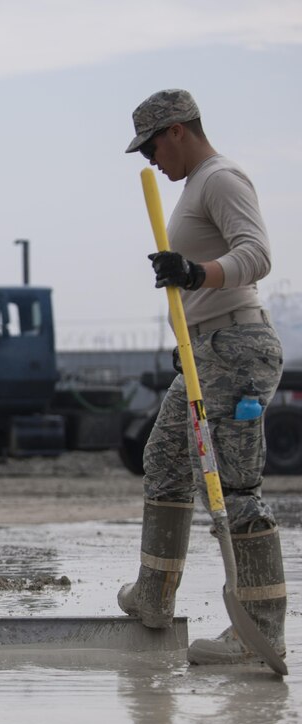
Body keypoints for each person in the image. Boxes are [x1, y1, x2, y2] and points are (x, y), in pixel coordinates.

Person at [119, 89, 287, 665]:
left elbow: (257, 254)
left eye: (151, 146)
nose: (149, 160)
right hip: (207, 349)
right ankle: (153, 595)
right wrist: (187, 335)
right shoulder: (194, 186)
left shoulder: (220, 178)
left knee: (235, 488)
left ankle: (258, 626)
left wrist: (195, 272)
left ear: (177, 131)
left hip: (238, 347)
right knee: (164, 460)